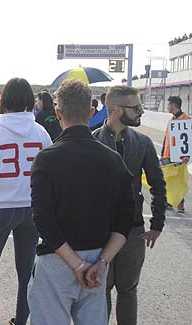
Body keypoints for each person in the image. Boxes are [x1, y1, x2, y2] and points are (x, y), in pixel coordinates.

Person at [28, 79, 134, 325]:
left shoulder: (46, 159)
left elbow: (43, 219)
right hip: (98, 260)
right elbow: (124, 220)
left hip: (57, 259)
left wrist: (77, 265)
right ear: (91, 112)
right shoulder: (113, 160)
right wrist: (102, 262)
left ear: (57, 112)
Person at [0, 78, 52, 325]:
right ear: (30, 101)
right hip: (30, 208)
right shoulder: (41, 132)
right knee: (26, 274)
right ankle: (20, 321)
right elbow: (48, 173)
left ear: (3, 101)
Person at [93, 85, 166, 325]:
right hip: (99, 233)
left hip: (133, 231)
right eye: (135, 108)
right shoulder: (92, 141)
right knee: (99, 291)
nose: (140, 112)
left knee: (128, 290)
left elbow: (157, 183)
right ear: (114, 109)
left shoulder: (143, 143)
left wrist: (157, 224)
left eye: (140, 107)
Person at [161, 95, 191, 213]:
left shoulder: (187, 119)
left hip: (179, 155)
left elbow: (189, 139)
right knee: (168, 179)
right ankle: (169, 201)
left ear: (173, 105)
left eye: (168, 104)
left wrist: (187, 155)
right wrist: (163, 153)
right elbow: (166, 138)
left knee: (177, 179)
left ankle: (179, 203)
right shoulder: (172, 120)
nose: (167, 107)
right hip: (168, 154)